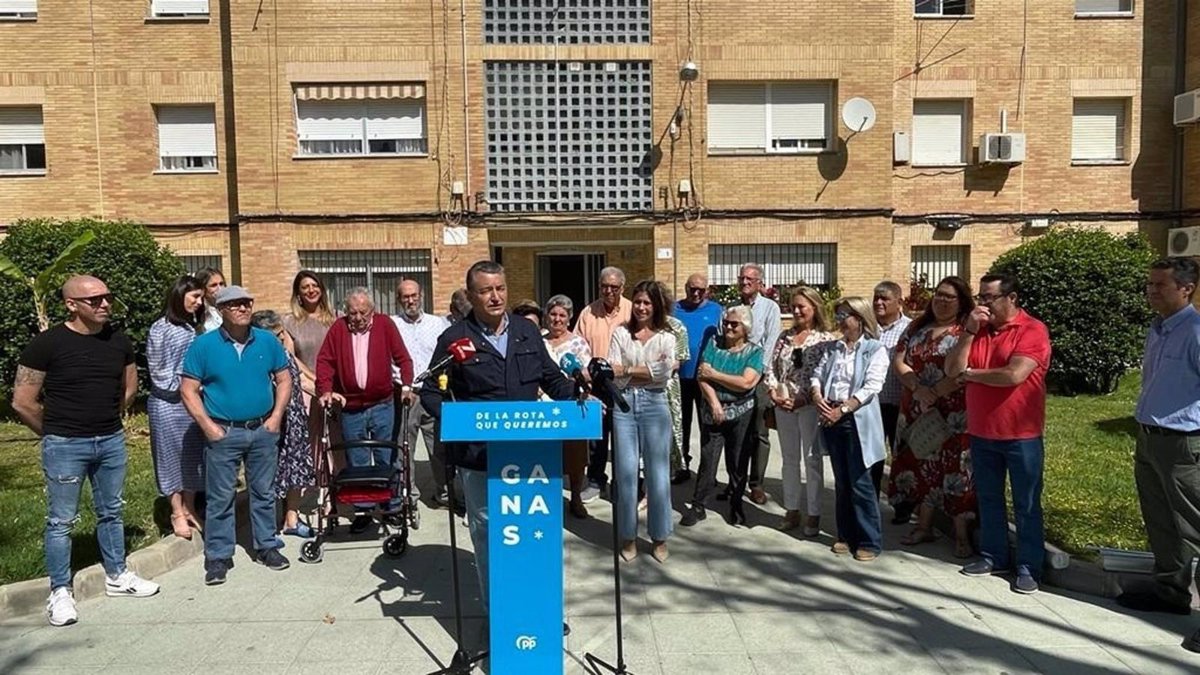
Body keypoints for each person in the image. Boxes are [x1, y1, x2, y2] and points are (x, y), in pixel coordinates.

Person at [419, 260, 574, 608]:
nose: (495, 297)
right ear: (471, 295)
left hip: (530, 454)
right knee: (490, 534)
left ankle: (540, 610)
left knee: (536, 532)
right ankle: (499, 614)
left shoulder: (526, 330)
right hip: (480, 457)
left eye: (500, 288)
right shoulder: (455, 338)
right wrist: (455, 419)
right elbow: (430, 391)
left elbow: (551, 377)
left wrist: (578, 397)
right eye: (486, 290)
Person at [12, 275, 160, 626]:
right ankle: (60, 591)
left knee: (112, 511)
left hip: (110, 440)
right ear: (71, 305)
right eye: (95, 300)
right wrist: (54, 433)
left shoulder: (118, 341)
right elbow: (23, 401)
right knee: (61, 521)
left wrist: (108, 417)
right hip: (65, 444)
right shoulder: (46, 344)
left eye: (108, 297)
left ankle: (117, 575)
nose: (105, 304)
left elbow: (129, 388)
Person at [946, 273, 1051, 594]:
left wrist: (971, 375)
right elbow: (952, 370)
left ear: (1012, 298)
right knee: (989, 499)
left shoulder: (1032, 330)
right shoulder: (977, 330)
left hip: (1021, 434)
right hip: (982, 431)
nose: (983, 304)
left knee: (1026, 503)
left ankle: (1029, 566)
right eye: (980, 297)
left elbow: (1014, 375)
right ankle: (994, 556)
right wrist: (968, 332)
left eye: (989, 298)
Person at [181, 285, 292, 585]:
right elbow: (188, 390)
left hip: (262, 429)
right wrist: (208, 427)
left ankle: (267, 546)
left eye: (247, 303)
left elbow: (284, 379)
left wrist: (276, 417)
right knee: (219, 497)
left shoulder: (267, 341)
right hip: (223, 432)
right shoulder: (204, 346)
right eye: (235, 304)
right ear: (221, 310)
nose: (243, 308)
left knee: (264, 492)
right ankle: (218, 556)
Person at [1117, 258, 1200, 653]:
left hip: (1184, 443)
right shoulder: (1158, 328)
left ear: (1186, 288)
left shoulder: (1195, 331)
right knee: (1161, 521)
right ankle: (1170, 591)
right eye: (1149, 284)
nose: (1151, 291)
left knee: (1195, 527)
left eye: (1160, 285)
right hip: (1150, 437)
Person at [887, 277, 976, 558]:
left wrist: (935, 392)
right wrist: (918, 389)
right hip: (918, 408)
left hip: (953, 412)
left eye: (949, 297)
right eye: (938, 294)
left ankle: (961, 535)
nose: (941, 300)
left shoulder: (967, 330)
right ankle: (923, 526)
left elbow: (965, 370)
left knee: (955, 470)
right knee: (922, 465)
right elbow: (899, 361)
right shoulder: (917, 327)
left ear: (962, 301)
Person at [316, 288, 414, 533]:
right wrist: (325, 390)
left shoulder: (385, 325)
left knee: (386, 457)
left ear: (372, 310)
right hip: (351, 407)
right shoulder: (339, 328)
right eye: (353, 313)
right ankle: (364, 510)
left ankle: (391, 505)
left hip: (382, 404)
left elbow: (403, 358)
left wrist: (406, 386)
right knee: (357, 461)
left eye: (363, 312)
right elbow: (325, 361)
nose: (358, 318)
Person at [810, 297, 889, 562]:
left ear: (860, 318)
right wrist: (817, 395)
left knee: (861, 482)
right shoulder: (834, 348)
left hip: (856, 419)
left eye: (845, 315)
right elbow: (818, 374)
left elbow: (872, 386)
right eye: (839, 315)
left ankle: (869, 540)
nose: (840, 321)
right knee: (842, 481)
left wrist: (842, 410)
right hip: (831, 416)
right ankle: (845, 535)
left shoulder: (875, 349)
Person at [609, 281, 679, 563]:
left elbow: (664, 373)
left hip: (655, 404)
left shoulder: (667, 337)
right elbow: (613, 372)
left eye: (646, 303)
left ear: (656, 306)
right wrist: (644, 371)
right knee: (626, 474)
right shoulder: (620, 333)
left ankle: (659, 536)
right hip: (623, 404)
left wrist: (627, 369)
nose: (641, 307)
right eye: (637, 302)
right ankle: (628, 536)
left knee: (658, 474)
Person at [680, 304, 763, 528]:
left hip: (741, 412)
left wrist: (715, 374)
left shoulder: (754, 352)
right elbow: (701, 376)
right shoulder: (713, 344)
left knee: (737, 461)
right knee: (708, 459)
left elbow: (746, 383)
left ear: (745, 328)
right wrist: (715, 402)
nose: (728, 327)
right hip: (713, 409)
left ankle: (736, 503)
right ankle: (698, 505)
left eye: (734, 324)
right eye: (726, 323)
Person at [765, 286, 836, 536]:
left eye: (801, 307)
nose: (796, 311)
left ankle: (814, 513)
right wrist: (773, 391)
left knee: (812, 459)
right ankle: (792, 509)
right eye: (793, 306)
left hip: (809, 407)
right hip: (784, 404)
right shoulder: (785, 337)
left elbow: (826, 374)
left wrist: (804, 399)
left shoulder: (825, 339)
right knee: (789, 459)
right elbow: (771, 367)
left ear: (814, 308)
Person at [146, 275, 207, 540]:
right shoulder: (160, 329)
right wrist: (188, 385)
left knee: (193, 456)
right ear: (179, 295)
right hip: (168, 404)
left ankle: (190, 506)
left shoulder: (192, 328)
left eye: (201, 297)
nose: (199, 302)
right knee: (170, 457)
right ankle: (176, 511)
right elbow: (159, 373)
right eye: (195, 296)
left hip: (192, 403)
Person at [251, 310, 316, 538]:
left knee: (295, 469)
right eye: (276, 335)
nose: (281, 338)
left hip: (294, 418)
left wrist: (322, 390)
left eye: (282, 334)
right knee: (269, 472)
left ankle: (291, 519)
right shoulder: (256, 358)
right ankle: (267, 525)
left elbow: (300, 377)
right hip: (271, 420)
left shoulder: (284, 353)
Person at [390, 279, 452, 507]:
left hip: (433, 393)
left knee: (439, 448)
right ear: (398, 299)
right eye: (405, 296)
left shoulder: (439, 324)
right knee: (404, 449)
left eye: (414, 295)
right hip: (404, 394)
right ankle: (408, 496)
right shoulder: (392, 325)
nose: (411, 300)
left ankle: (445, 493)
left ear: (421, 295)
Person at [575, 266, 632, 503]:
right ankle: (596, 481)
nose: (608, 291)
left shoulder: (632, 311)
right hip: (596, 385)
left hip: (624, 384)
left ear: (622, 288)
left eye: (614, 287)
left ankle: (624, 483)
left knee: (624, 438)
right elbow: (578, 346)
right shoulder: (588, 313)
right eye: (604, 286)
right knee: (596, 439)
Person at [542, 294, 593, 519]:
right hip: (542, 404)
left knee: (575, 455)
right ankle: (547, 498)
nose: (557, 319)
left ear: (569, 318)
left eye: (562, 315)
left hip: (571, 403)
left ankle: (576, 498)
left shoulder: (578, 343)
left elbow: (586, 375)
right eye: (553, 314)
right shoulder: (538, 341)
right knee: (547, 453)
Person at [737, 262, 782, 506]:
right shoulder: (732, 308)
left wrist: (757, 373)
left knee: (759, 433)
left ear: (759, 283)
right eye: (742, 278)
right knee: (737, 432)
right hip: (735, 377)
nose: (744, 282)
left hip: (760, 378)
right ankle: (735, 481)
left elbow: (772, 341)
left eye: (749, 279)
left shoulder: (770, 308)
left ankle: (757, 484)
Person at [674, 272, 722, 483]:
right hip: (680, 377)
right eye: (692, 289)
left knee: (707, 426)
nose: (696, 293)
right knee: (680, 426)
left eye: (700, 290)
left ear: (707, 291)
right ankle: (681, 466)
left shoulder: (716, 310)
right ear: (686, 288)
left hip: (705, 378)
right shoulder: (674, 309)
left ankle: (707, 472)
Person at [873, 280, 913, 511]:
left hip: (900, 404)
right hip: (872, 405)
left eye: (885, 298)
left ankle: (903, 506)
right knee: (873, 456)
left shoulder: (911, 329)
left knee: (902, 455)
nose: (879, 302)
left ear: (899, 302)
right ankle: (871, 502)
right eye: (876, 298)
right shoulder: (867, 328)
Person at [281, 270, 337, 409]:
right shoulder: (289, 322)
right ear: (298, 293)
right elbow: (290, 357)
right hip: (306, 388)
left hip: (335, 387)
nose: (311, 290)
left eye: (315, 285)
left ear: (321, 290)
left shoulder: (337, 318)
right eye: (305, 287)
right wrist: (314, 378)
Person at [662, 288, 690, 491]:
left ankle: (670, 472)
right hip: (639, 386)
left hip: (668, 387)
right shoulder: (636, 325)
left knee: (670, 431)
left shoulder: (676, 326)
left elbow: (679, 360)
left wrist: (651, 368)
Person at [194, 266, 226, 333]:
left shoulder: (228, 308)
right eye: (214, 285)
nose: (220, 289)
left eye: (221, 284)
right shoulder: (197, 312)